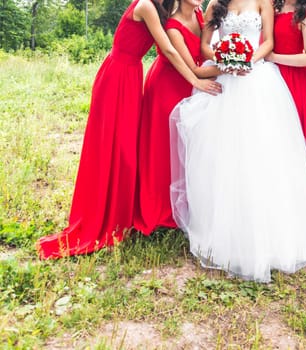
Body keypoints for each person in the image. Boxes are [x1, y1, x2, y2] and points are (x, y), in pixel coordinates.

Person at [36, 0, 221, 259]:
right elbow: (167, 49)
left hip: (132, 76)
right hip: (117, 75)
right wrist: (194, 79)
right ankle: (106, 210)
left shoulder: (167, 9)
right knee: (114, 145)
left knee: (128, 145)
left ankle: (124, 204)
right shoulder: (146, 5)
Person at [169, 0, 306, 282]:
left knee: (264, 154)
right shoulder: (214, 6)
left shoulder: (263, 2)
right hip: (225, 77)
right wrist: (224, 61)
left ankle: (270, 234)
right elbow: (204, 47)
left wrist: (247, 59)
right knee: (223, 155)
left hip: (256, 78)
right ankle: (223, 231)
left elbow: (268, 41)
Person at [134, 0, 222, 234]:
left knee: (189, 144)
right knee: (165, 147)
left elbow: (205, 50)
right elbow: (192, 68)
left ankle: (189, 203)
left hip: (190, 85)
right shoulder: (172, 25)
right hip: (168, 85)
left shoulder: (199, 15)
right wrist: (232, 66)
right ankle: (162, 209)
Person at [266, 0, 306, 164]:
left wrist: (274, 58)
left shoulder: (305, 13)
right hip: (270, 78)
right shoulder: (272, 7)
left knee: (296, 134)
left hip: (297, 81)